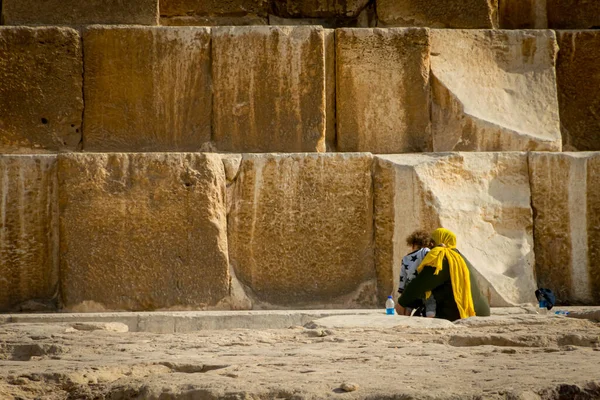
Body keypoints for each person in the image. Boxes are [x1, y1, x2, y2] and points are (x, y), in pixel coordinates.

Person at [397, 228, 490, 321]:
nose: (430, 245)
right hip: (481, 311)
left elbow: (422, 283)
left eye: (432, 241)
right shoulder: (457, 256)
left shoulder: (442, 256)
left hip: (467, 313)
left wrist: (402, 303)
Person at [396, 230, 436, 317]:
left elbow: (403, 277)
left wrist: (402, 290)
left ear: (413, 244)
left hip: (411, 288)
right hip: (424, 287)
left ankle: (407, 317)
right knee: (430, 304)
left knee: (409, 305)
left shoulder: (405, 258)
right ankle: (430, 319)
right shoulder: (425, 251)